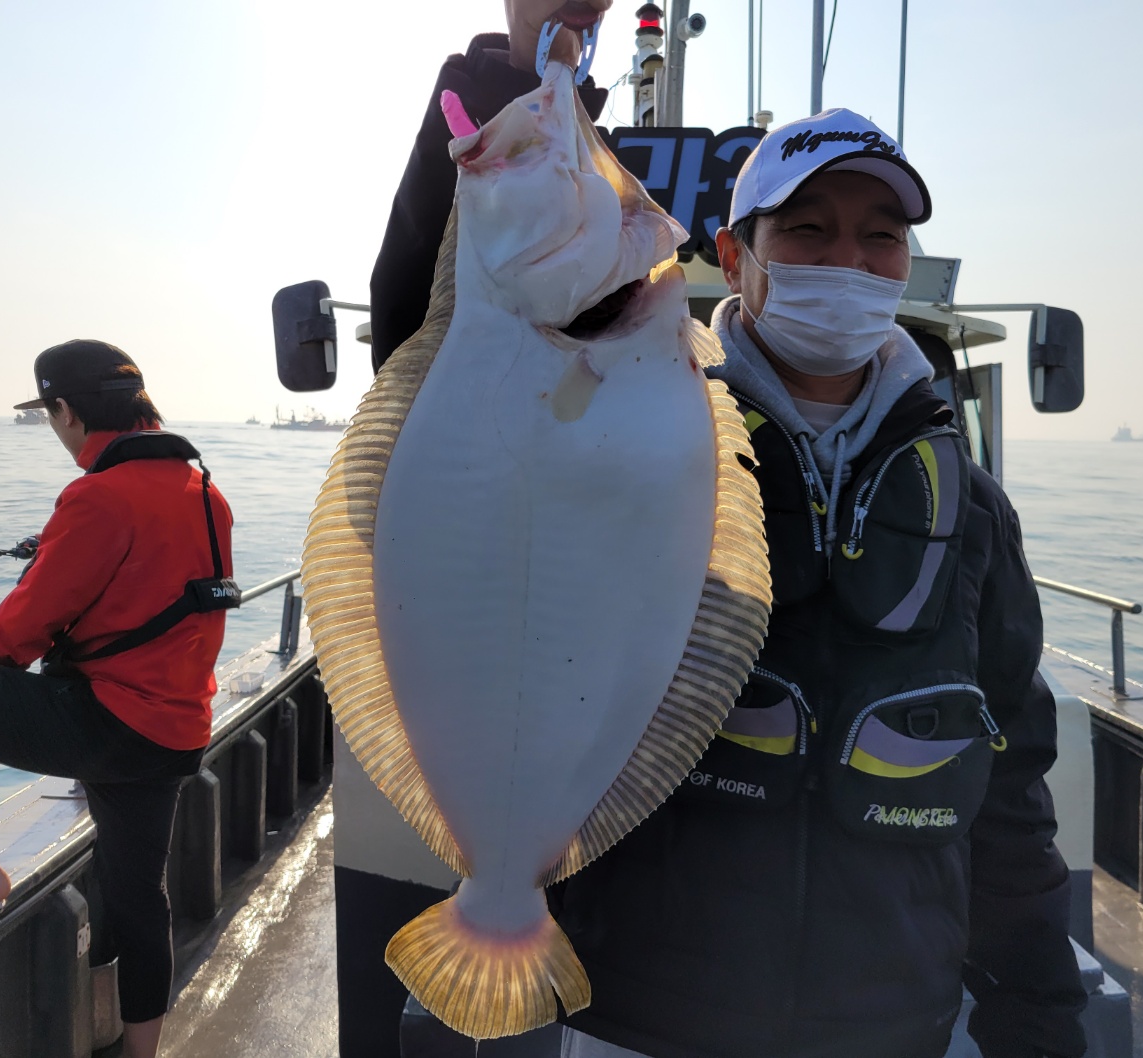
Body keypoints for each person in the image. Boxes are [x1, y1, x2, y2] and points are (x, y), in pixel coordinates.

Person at [371, 6, 1088, 1056]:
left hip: (893, 1026)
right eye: (806, 231)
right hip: (644, 1015)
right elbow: (450, 372)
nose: (847, 260)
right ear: (731, 253)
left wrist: (1038, 1021)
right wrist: (518, 64)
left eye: (879, 237)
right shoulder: (657, 425)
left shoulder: (971, 511)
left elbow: (1011, 788)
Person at [0, 340, 235, 1058]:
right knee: (140, 899)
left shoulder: (97, 496)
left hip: (112, 725)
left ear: (67, 411)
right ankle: (141, 1053)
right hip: (176, 730)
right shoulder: (205, 491)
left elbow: (20, 631)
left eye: (50, 414)